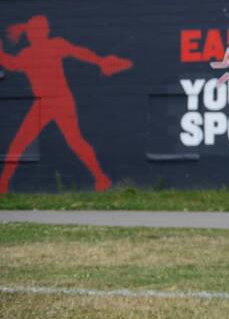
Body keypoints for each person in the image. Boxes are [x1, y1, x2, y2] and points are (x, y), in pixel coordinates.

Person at [0, 15, 132, 193]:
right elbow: (12, 64)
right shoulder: (27, 54)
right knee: (19, 144)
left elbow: (78, 51)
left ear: (44, 32)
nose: (34, 34)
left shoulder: (55, 44)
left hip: (61, 101)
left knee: (74, 142)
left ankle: (101, 178)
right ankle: (3, 185)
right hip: (43, 103)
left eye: (38, 30)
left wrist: (100, 61)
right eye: (32, 31)